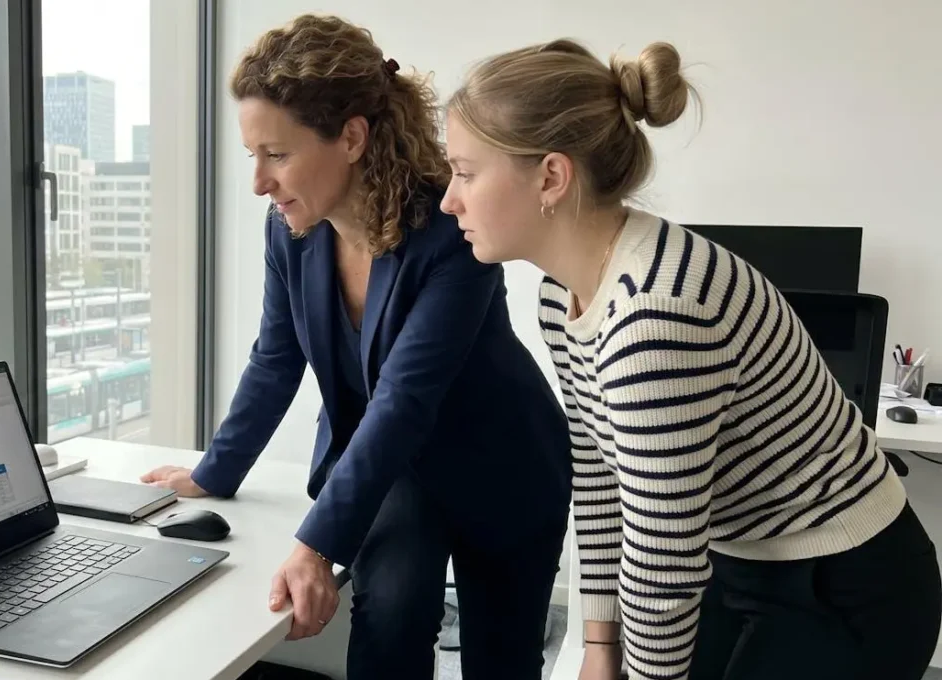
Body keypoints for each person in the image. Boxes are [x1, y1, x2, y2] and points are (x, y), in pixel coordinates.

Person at [440, 37, 942, 680]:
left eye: (465, 171)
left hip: (841, 582)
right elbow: (599, 479)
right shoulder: (559, 296)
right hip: (736, 559)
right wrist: (600, 646)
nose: (450, 200)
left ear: (551, 176)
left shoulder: (656, 316)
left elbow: (662, 558)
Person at [139, 13, 572, 680]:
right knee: (389, 624)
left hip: (502, 466)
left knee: (502, 664)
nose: (259, 181)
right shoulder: (290, 231)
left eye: (276, 155)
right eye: (251, 153)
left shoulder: (454, 230)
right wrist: (214, 471)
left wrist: (314, 545)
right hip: (395, 468)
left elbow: (405, 398)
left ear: (351, 137)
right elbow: (276, 358)